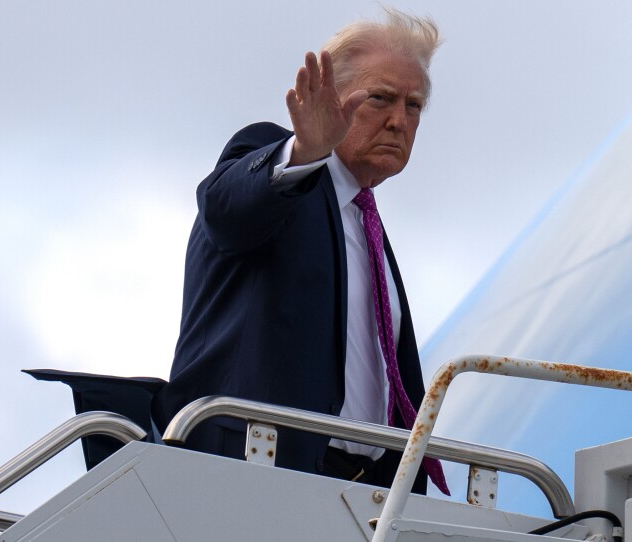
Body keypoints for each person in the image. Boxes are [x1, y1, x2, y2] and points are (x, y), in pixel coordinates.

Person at [152, 8, 447, 495]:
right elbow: (225, 211)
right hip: (251, 477)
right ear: (331, 98)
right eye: (381, 98)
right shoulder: (280, 165)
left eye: (414, 105)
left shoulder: (364, 218)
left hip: (362, 494)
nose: (399, 120)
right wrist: (304, 152)